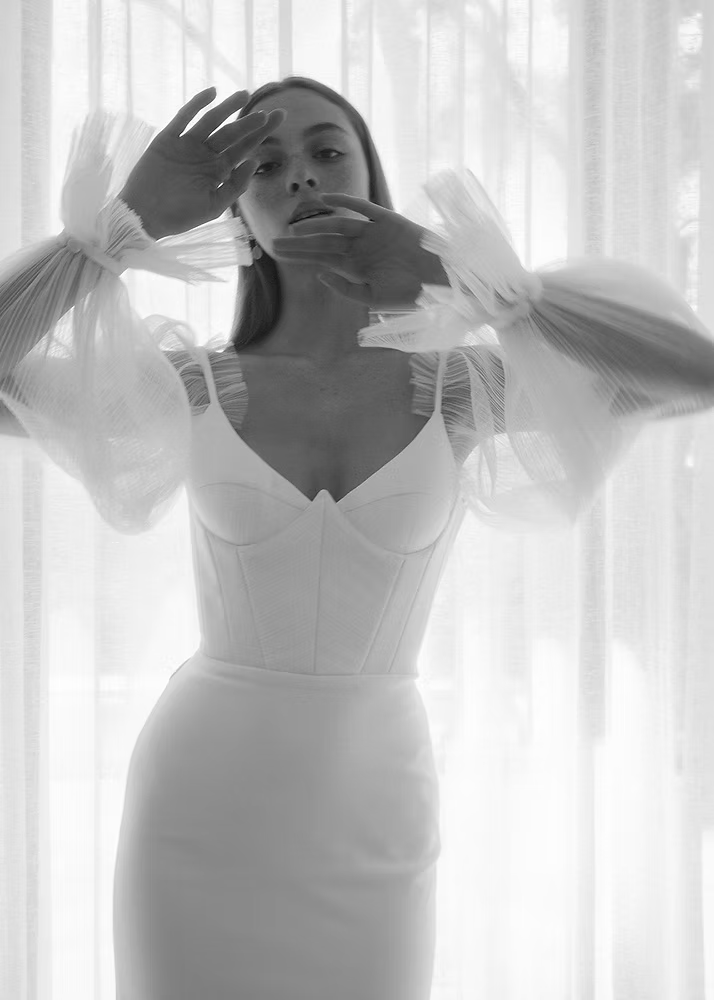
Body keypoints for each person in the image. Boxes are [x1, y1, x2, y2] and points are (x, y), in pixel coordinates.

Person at [2, 77, 714, 1000]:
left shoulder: (462, 388)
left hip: (374, 803)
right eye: (263, 163)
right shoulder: (186, 387)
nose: (298, 175)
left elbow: (696, 375)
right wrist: (118, 227)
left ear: (375, 179)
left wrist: (461, 276)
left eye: (327, 150)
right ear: (234, 212)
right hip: (200, 802)